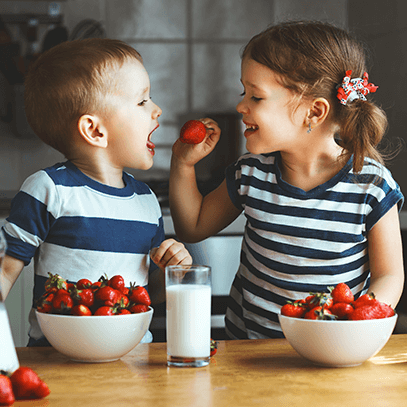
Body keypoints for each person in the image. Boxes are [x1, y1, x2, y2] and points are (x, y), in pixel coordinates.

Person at [169, 21, 404, 339]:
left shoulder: (371, 186)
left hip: (328, 352)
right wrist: (183, 165)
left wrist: (357, 327)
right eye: (244, 92)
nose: (241, 106)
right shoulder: (251, 173)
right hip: (248, 352)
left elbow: (389, 276)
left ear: (314, 112)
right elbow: (192, 227)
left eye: (256, 97)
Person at [1, 38, 192, 346]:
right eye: (142, 101)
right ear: (95, 131)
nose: (157, 110)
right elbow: (5, 270)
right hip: (59, 364)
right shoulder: (49, 190)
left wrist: (175, 272)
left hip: (133, 363)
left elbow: (150, 294)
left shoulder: (146, 201)